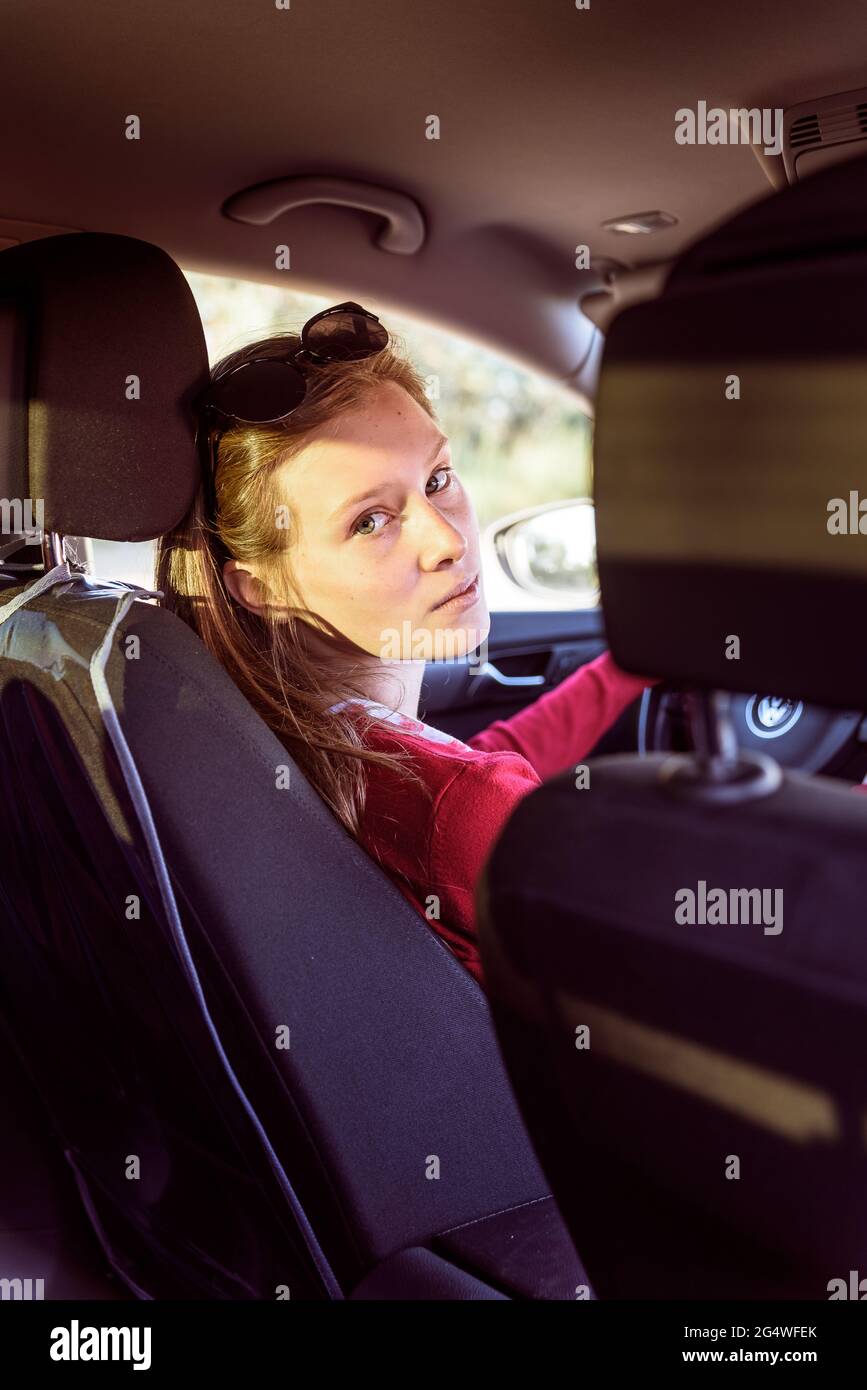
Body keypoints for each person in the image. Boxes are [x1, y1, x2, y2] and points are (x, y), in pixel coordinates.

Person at [156, 302, 655, 989]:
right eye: (369, 521)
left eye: (438, 480)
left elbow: (469, 767)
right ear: (260, 587)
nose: (448, 541)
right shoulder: (464, 810)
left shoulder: (286, 742)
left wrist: (627, 670)